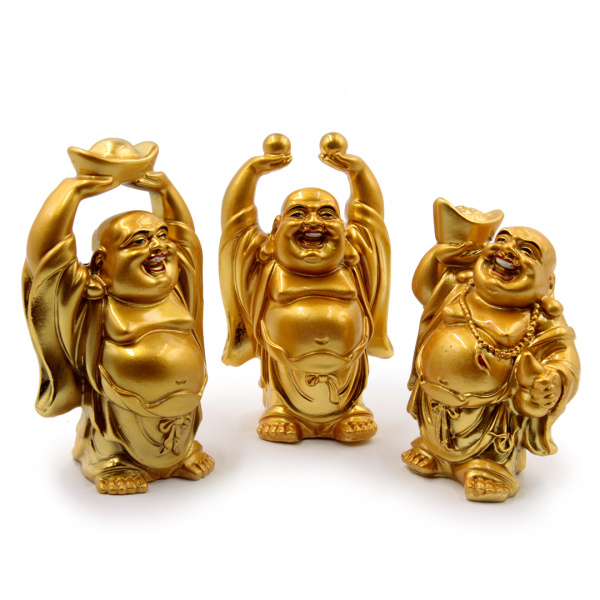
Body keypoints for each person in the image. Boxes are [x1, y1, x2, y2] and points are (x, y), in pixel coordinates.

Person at [23, 139, 213, 494]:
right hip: (117, 410)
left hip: (182, 410)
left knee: (179, 438)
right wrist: (74, 190)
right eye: (138, 241)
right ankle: (110, 462)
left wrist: (164, 189)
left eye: (160, 237)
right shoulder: (92, 298)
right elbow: (46, 256)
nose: (158, 247)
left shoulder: (177, 289)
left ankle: (179, 454)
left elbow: (185, 238)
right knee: (112, 437)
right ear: (100, 264)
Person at [219, 133, 393, 443]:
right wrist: (253, 170)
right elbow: (237, 222)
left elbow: (370, 217)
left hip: (347, 368)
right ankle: (280, 410)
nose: (313, 222)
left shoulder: (354, 265)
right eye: (298, 213)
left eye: (327, 214)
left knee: (349, 401)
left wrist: (358, 172)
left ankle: (350, 409)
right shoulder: (267, 266)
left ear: (345, 232)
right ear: (276, 229)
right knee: (281, 401)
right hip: (285, 371)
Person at [403, 199, 580, 502]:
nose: (507, 250)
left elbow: (563, 356)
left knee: (491, 444)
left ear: (548, 284)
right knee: (434, 433)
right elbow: (424, 288)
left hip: (492, 412)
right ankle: (437, 455)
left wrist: (554, 379)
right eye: (501, 240)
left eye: (527, 251)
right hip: (434, 398)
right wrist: (438, 255)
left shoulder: (540, 319)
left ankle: (488, 468)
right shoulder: (459, 287)